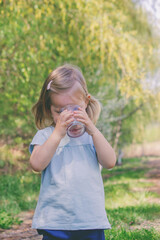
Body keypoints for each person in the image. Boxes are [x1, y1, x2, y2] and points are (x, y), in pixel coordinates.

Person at [29, 64, 116, 240]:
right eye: (60, 111)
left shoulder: (92, 136)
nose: (68, 116)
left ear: (85, 102)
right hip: (55, 220)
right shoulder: (46, 135)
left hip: (90, 219)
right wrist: (58, 134)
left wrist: (93, 130)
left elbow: (110, 162)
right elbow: (36, 164)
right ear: (48, 109)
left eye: (75, 109)